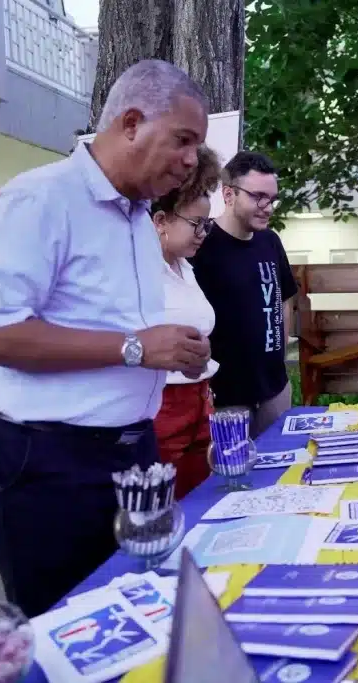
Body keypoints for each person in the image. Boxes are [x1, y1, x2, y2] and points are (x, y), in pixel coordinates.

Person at [0, 59, 212, 618]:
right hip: (43, 459)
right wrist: (136, 348)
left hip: (128, 452)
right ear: (131, 123)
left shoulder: (139, 218)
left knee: (138, 610)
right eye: (183, 139)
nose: (192, 160)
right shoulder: (40, 199)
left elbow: (119, 326)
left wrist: (176, 351)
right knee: (66, 624)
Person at [191, 151, 298, 436]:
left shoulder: (270, 242)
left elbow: (285, 297)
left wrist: (279, 352)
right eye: (258, 197)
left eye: (273, 199)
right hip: (225, 398)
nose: (268, 207)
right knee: (232, 479)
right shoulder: (201, 244)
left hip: (275, 391)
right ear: (229, 194)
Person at [150, 145, 222, 499]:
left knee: (202, 499)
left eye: (207, 225)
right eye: (196, 224)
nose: (203, 234)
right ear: (160, 221)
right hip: (161, 405)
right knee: (166, 505)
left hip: (200, 401)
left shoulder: (185, 268)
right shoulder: (141, 272)